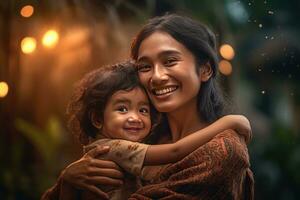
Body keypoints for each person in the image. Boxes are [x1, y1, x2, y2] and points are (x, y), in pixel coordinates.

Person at [42, 13, 254, 200]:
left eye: (170, 61)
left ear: (205, 70)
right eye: (145, 66)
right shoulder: (140, 137)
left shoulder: (223, 153)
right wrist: (67, 182)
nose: (157, 76)